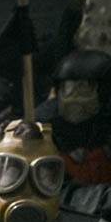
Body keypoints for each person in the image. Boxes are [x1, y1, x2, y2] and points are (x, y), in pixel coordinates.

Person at [39, 49, 111, 184]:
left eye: (84, 89)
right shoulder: (43, 127)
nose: (74, 99)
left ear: (104, 93)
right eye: (67, 89)